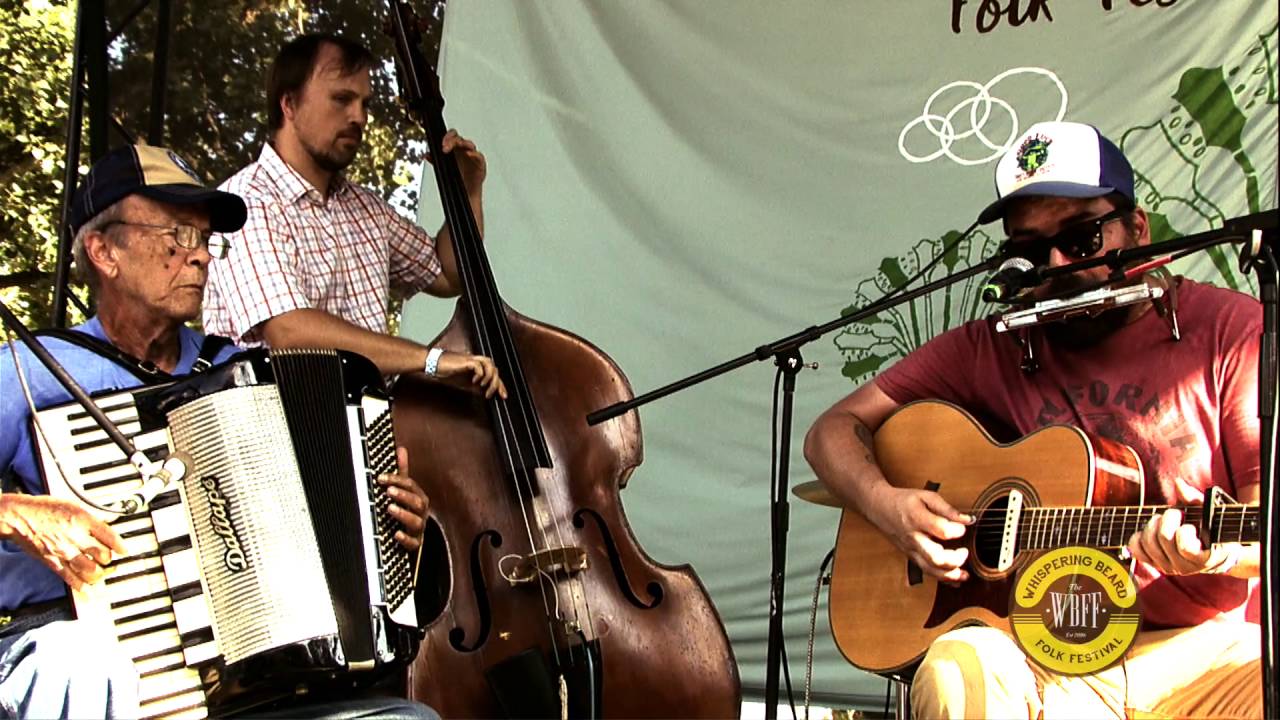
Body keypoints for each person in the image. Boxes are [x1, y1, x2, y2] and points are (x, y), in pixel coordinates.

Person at [804, 121, 1262, 719]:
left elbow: (1266, 526)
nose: (1056, 265)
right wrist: (886, 506)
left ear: (1137, 229)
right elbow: (831, 432)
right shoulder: (994, 345)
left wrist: (1213, 555)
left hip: (1199, 652)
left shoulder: (1229, 331)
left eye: (1082, 238)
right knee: (956, 669)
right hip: (1044, 652)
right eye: (1029, 252)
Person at [0, 145, 436, 719]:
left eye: (206, 239)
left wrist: (389, 522)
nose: (202, 256)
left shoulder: (242, 375)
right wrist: (17, 512)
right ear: (104, 252)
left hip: (247, 682)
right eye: (178, 235)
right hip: (72, 649)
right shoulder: (31, 371)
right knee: (78, 663)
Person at [204, 33, 505, 399]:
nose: (359, 117)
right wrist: (428, 360)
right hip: (278, 427)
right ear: (289, 104)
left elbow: (448, 274)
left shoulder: (367, 207)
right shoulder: (246, 202)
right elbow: (289, 331)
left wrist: (467, 191)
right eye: (342, 99)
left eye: (365, 103)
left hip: (367, 424)